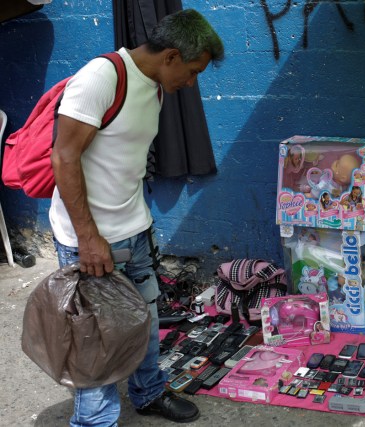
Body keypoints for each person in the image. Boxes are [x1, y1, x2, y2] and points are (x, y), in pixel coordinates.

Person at [49, 9, 224, 426]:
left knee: (144, 324)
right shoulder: (102, 77)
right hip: (89, 240)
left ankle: (148, 393)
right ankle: (94, 421)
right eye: (193, 70)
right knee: (97, 341)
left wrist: (142, 225)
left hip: (135, 233)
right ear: (171, 57)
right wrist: (89, 238)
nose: (192, 82)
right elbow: (64, 155)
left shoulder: (156, 87)